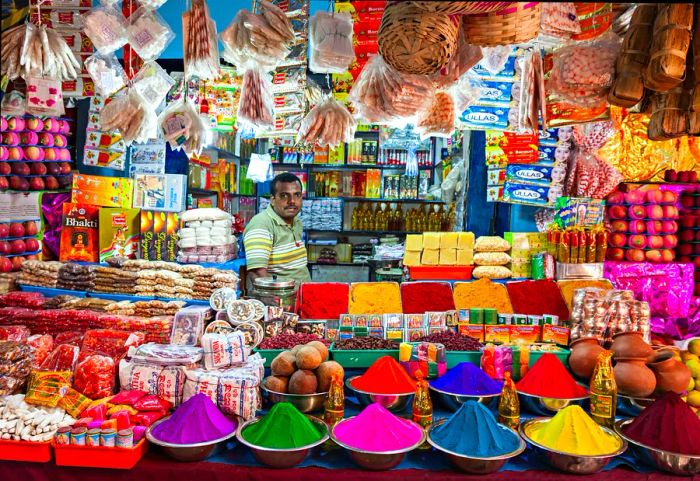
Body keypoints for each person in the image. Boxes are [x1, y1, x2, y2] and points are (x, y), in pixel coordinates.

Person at [243, 173, 311, 291]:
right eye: (284, 196)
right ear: (273, 200)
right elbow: (257, 274)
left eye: (297, 195)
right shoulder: (261, 225)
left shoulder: (296, 222)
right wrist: (279, 302)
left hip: (303, 297)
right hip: (282, 301)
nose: (292, 201)